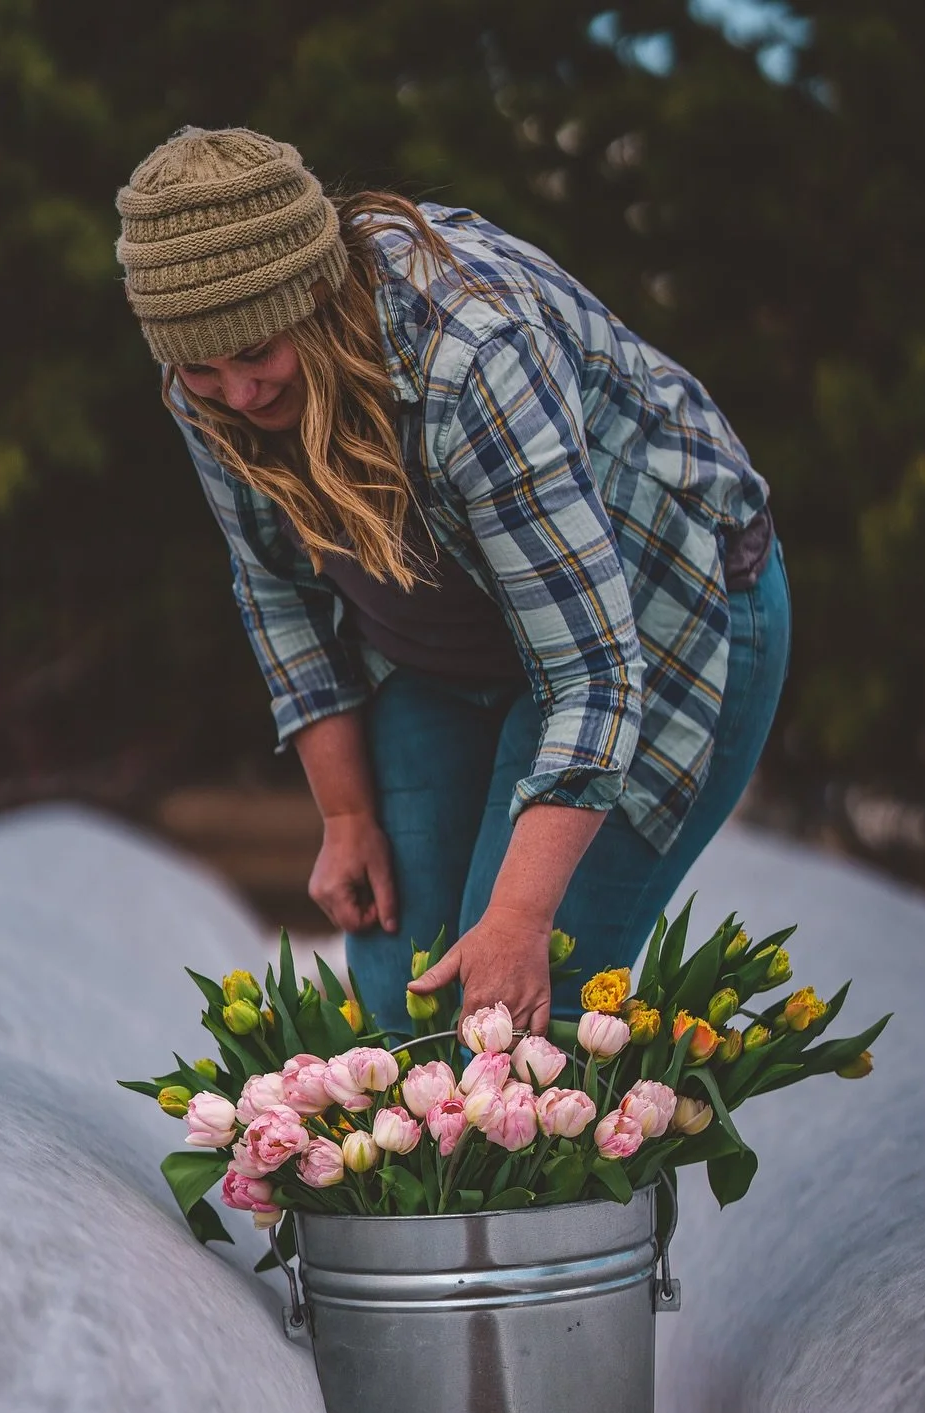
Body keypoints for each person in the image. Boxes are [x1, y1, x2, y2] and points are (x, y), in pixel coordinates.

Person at [115, 126, 789, 1040]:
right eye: (203, 368)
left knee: (524, 1016)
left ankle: (593, 1180)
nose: (237, 394)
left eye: (259, 357)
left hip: (657, 612)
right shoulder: (203, 376)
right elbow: (279, 591)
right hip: (441, 646)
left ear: (316, 296)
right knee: (406, 1007)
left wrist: (517, 919)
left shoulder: (474, 353)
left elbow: (593, 668)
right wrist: (346, 816)